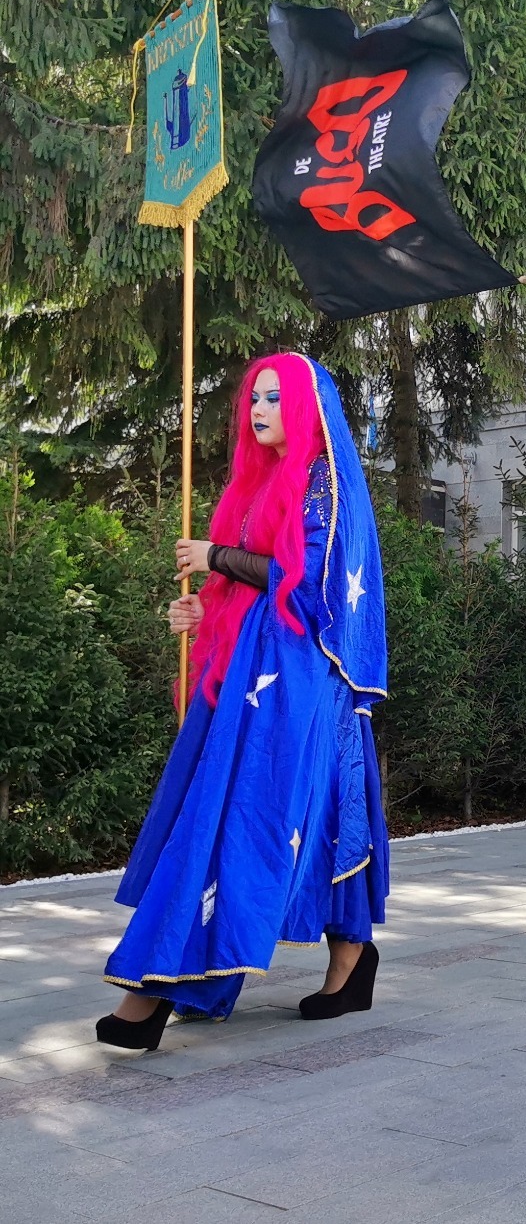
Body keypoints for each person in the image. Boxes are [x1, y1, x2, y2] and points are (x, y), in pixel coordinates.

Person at [96, 354, 390, 1051]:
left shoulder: (326, 480)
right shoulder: (259, 486)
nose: (259, 409)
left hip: (303, 684)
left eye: (275, 397)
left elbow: (308, 582)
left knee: (256, 814)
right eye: (255, 397)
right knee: (280, 813)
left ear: (307, 406)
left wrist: (216, 558)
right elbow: (254, 593)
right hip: (253, 677)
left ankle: (161, 983)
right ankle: (335, 962)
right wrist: (204, 612)